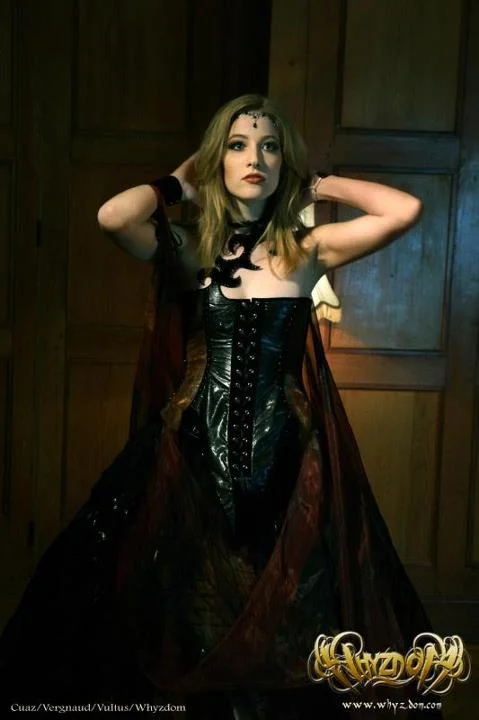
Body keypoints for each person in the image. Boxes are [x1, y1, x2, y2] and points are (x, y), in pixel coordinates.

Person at [0, 94, 441, 719]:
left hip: (286, 458)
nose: (254, 158)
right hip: (190, 456)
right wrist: (178, 184)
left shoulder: (308, 248)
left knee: (283, 610)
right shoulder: (188, 248)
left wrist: (315, 181)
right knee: (183, 605)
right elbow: (111, 216)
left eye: (269, 146)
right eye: (237, 145)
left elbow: (405, 209)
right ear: (218, 160)